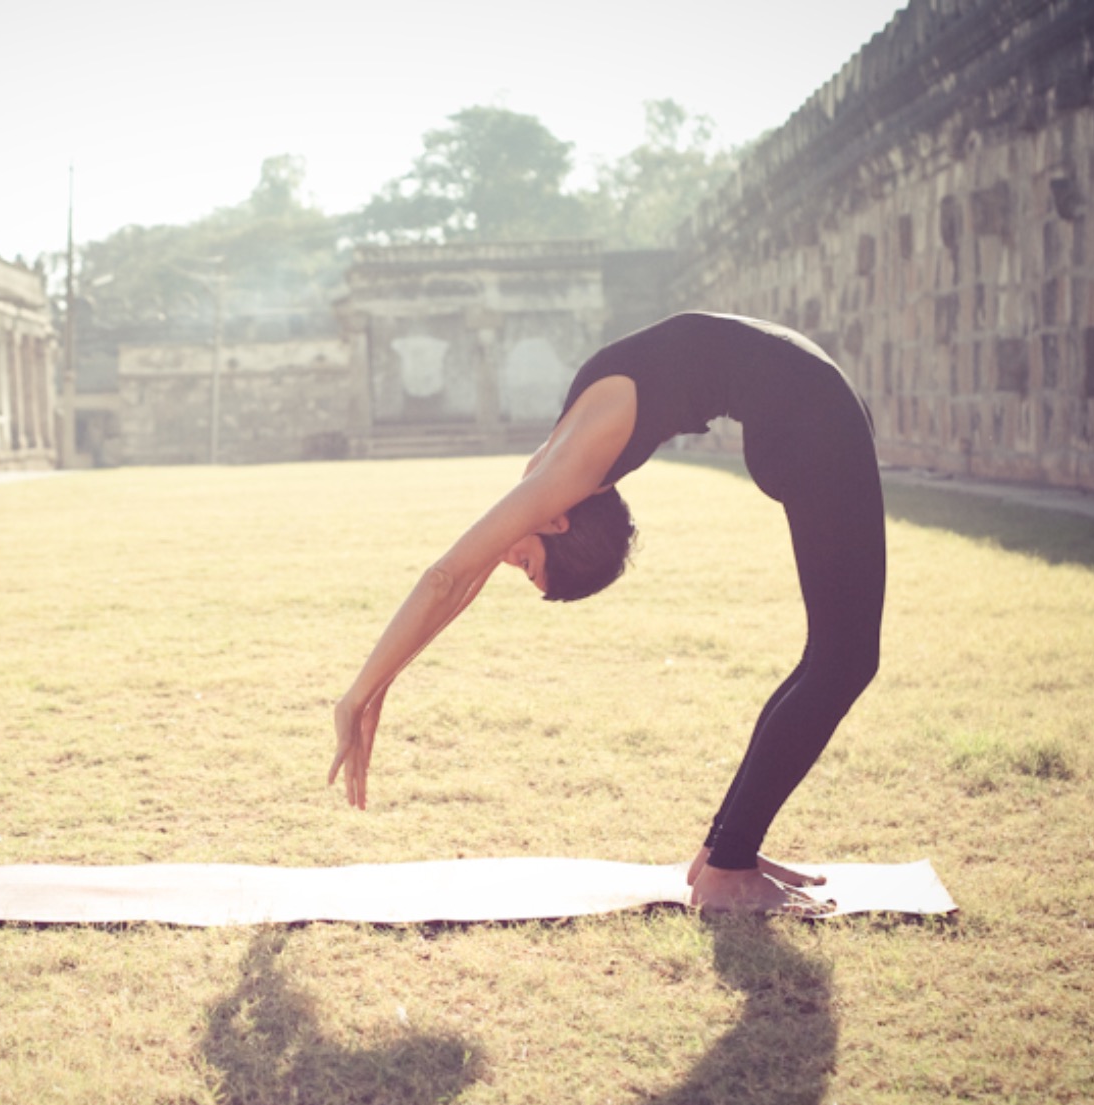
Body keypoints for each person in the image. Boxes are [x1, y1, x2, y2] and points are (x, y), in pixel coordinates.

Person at [329, 312, 885, 915]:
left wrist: (356, 694)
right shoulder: (550, 476)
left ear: (559, 523)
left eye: (527, 566)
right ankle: (729, 856)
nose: (508, 558)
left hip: (813, 412)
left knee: (840, 659)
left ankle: (728, 858)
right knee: (839, 658)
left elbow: (448, 576)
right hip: (803, 408)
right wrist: (380, 684)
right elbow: (461, 583)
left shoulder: (568, 468)